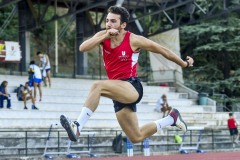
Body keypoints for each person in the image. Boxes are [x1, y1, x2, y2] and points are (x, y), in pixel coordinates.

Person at [60, 6, 194, 143]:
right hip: (117, 91)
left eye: (113, 21)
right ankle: (171, 118)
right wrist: (105, 35)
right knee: (136, 137)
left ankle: (78, 126)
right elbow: (82, 48)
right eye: (107, 21)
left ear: (123, 25)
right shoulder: (102, 36)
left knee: (97, 86)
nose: (108, 24)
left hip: (132, 87)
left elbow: (162, 50)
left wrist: (184, 64)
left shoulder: (134, 39)